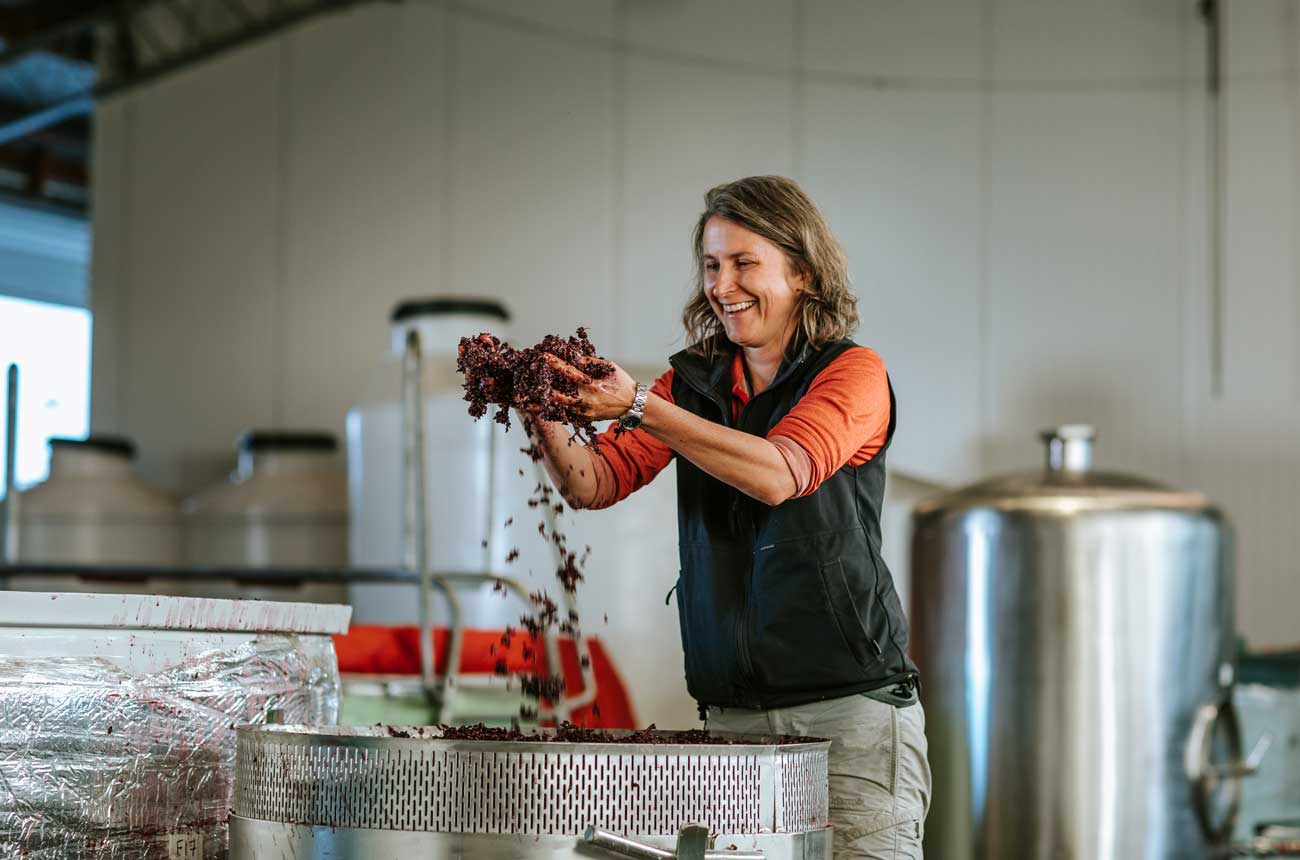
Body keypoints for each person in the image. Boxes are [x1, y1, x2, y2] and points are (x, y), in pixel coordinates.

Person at [525, 175, 931, 859]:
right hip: (732, 731)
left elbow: (780, 473)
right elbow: (595, 482)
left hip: (849, 721)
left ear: (801, 271)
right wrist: (542, 408)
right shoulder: (693, 386)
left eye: (745, 263)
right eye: (713, 266)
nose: (723, 284)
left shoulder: (852, 374)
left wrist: (640, 408)